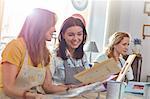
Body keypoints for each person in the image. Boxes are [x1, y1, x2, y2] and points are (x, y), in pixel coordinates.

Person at [0, 8, 70, 99]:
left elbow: (48, 87)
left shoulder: (45, 53)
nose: (55, 29)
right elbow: (9, 88)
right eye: (52, 25)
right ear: (40, 26)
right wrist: (33, 96)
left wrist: (71, 88)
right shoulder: (16, 47)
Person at [50, 15, 89, 85]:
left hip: (80, 94)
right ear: (63, 35)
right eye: (71, 35)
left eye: (79, 34)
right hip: (60, 95)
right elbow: (47, 85)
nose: (75, 39)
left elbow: (88, 78)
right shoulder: (54, 56)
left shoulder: (83, 55)